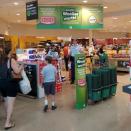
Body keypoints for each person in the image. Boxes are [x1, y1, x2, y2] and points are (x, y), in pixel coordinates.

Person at [0, 48, 23, 129]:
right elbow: (17, 71)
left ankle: (7, 117)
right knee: (10, 103)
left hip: (1, 83)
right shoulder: (11, 60)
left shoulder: (1, 60)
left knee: (6, 101)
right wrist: (22, 66)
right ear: (9, 52)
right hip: (10, 83)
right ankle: (7, 123)